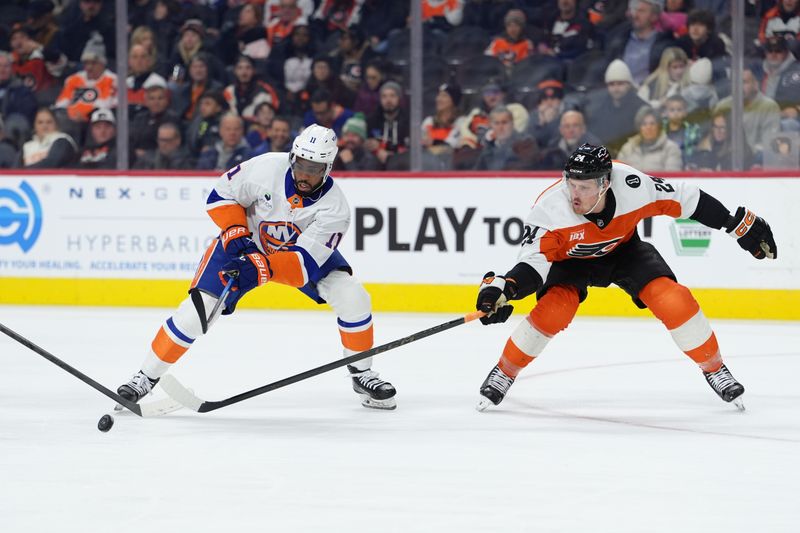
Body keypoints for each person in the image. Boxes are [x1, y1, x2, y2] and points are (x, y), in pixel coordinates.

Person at [473, 143, 776, 412]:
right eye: (571, 184)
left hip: (623, 251)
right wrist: (506, 289)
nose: (574, 194)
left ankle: (714, 368)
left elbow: (686, 198)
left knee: (674, 299)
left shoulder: (633, 184)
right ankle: (504, 371)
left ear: (605, 183)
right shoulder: (549, 210)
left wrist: (735, 223)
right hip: (570, 263)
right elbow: (533, 262)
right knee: (554, 310)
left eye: (585, 187)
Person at [116, 124, 397, 410]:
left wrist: (261, 266)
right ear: (292, 157)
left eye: (315, 168)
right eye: (301, 165)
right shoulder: (265, 168)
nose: (306, 174)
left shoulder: (334, 208)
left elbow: (301, 266)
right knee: (195, 313)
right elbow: (220, 195)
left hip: (293, 256)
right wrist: (236, 231)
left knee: (353, 296)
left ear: (328, 167)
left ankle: (362, 374)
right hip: (243, 245)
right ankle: (143, 379)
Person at [617, 106, 683, 170]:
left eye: (652, 123)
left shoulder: (670, 149)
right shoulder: (627, 148)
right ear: (639, 128)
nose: (648, 127)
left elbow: (672, 178)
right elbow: (619, 173)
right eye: (644, 124)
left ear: (659, 126)